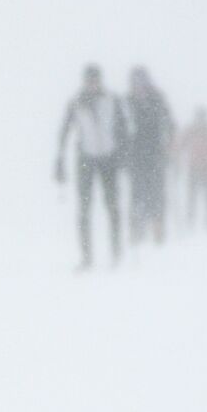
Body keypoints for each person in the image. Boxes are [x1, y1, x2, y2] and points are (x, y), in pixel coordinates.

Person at [55, 64, 129, 268]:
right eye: (89, 80)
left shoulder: (112, 100)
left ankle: (116, 253)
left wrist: (124, 154)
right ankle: (87, 257)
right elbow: (65, 130)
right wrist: (59, 160)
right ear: (84, 82)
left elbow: (122, 127)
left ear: (100, 80)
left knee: (113, 206)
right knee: (84, 209)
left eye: (95, 80)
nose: (92, 84)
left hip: (109, 158)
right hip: (86, 159)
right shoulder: (76, 103)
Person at [125, 66, 175, 246]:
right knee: (137, 195)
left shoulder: (157, 99)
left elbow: (170, 123)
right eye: (135, 82)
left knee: (157, 194)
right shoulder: (127, 101)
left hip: (156, 154)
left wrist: (170, 146)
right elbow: (120, 128)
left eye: (141, 81)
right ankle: (136, 231)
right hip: (135, 155)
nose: (139, 85)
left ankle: (158, 231)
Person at [175, 108, 207, 232]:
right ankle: (192, 221)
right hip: (196, 168)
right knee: (194, 197)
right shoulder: (192, 130)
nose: (201, 120)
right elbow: (180, 145)